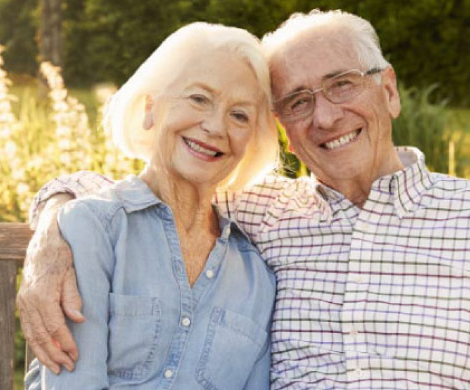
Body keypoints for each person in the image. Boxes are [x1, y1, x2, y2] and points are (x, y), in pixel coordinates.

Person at [18, 10, 470, 389]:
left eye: (342, 85)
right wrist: (51, 234)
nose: (326, 116)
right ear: (282, 126)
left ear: (388, 89)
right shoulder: (265, 213)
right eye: (299, 101)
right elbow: (147, 191)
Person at [22, 21, 280, 389]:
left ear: (251, 142)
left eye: (239, 115)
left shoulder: (258, 277)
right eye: (198, 98)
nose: (215, 126)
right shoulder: (94, 228)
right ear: (150, 108)